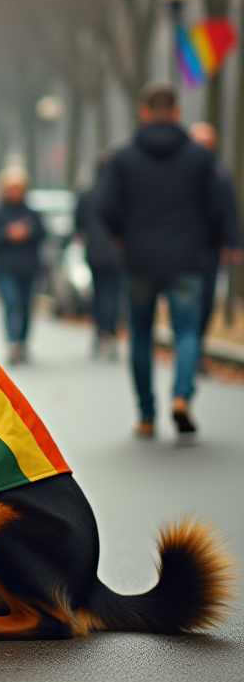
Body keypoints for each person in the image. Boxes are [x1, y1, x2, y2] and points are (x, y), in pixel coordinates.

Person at [100, 83, 225, 439]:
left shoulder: (124, 157)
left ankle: (146, 414)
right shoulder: (199, 158)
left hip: (139, 258)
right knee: (186, 330)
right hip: (186, 257)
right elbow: (216, 209)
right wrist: (209, 245)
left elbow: (106, 206)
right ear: (177, 111)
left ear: (143, 112)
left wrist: (122, 235)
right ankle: (182, 395)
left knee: (141, 334)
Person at [187, 121, 242, 347]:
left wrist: (234, 244)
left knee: (208, 300)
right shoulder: (183, 172)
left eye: (208, 144)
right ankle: (190, 346)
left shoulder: (220, 173)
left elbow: (230, 210)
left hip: (210, 248)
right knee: (189, 301)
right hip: (186, 248)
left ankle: (197, 345)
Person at [0, 166, 45, 364]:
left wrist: (28, 232)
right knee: (12, 302)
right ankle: (13, 343)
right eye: (12, 188)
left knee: (26, 306)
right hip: (5, 268)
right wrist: (7, 233)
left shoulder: (31, 212)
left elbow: (43, 234)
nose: (15, 192)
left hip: (28, 267)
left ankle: (23, 343)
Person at [75, 156, 122, 359]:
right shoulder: (120, 195)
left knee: (98, 292)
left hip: (94, 252)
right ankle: (109, 334)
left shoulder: (88, 195)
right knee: (114, 293)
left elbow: (78, 224)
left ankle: (99, 332)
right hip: (117, 252)